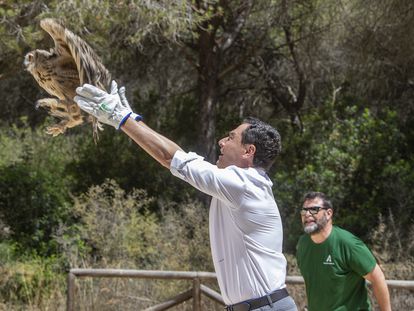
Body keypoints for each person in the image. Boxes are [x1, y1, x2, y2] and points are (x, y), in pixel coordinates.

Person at [73, 81, 298, 311]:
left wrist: (121, 118)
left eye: (230, 138)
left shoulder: (243, 184)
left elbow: (171, 158)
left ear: (248, 151)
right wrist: (132, 120)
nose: (221, 141)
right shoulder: (241, 185)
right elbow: (178, 157)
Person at [296, 191, 392, 311]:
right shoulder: (303, 244)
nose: (307, 214)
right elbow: (311, 283)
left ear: (328, 213)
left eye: (314, 209)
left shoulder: (349, 244)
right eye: (304, 210)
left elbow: (378, 278)